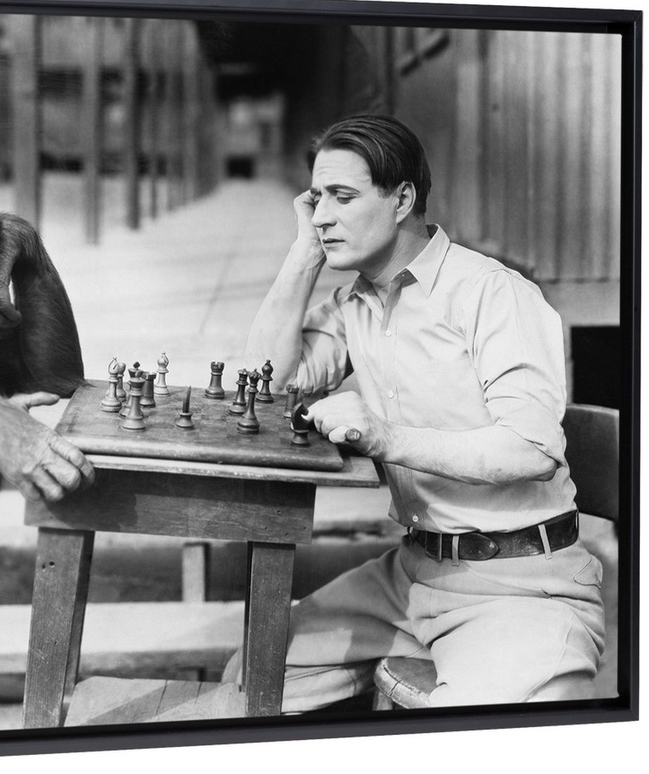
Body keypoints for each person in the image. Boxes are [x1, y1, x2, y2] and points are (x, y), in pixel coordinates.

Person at [239, 114, 605, 709]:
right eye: (317, 199)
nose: (324, 214)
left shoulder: (492, 292)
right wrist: (305, 253)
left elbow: (534, 448)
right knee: (255, 671)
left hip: (521, 587)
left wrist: (385, 437)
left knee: (457, 745)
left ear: (403, 198)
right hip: (411, 575)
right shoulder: (353, 301)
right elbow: (265, 382)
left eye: (343, 197)